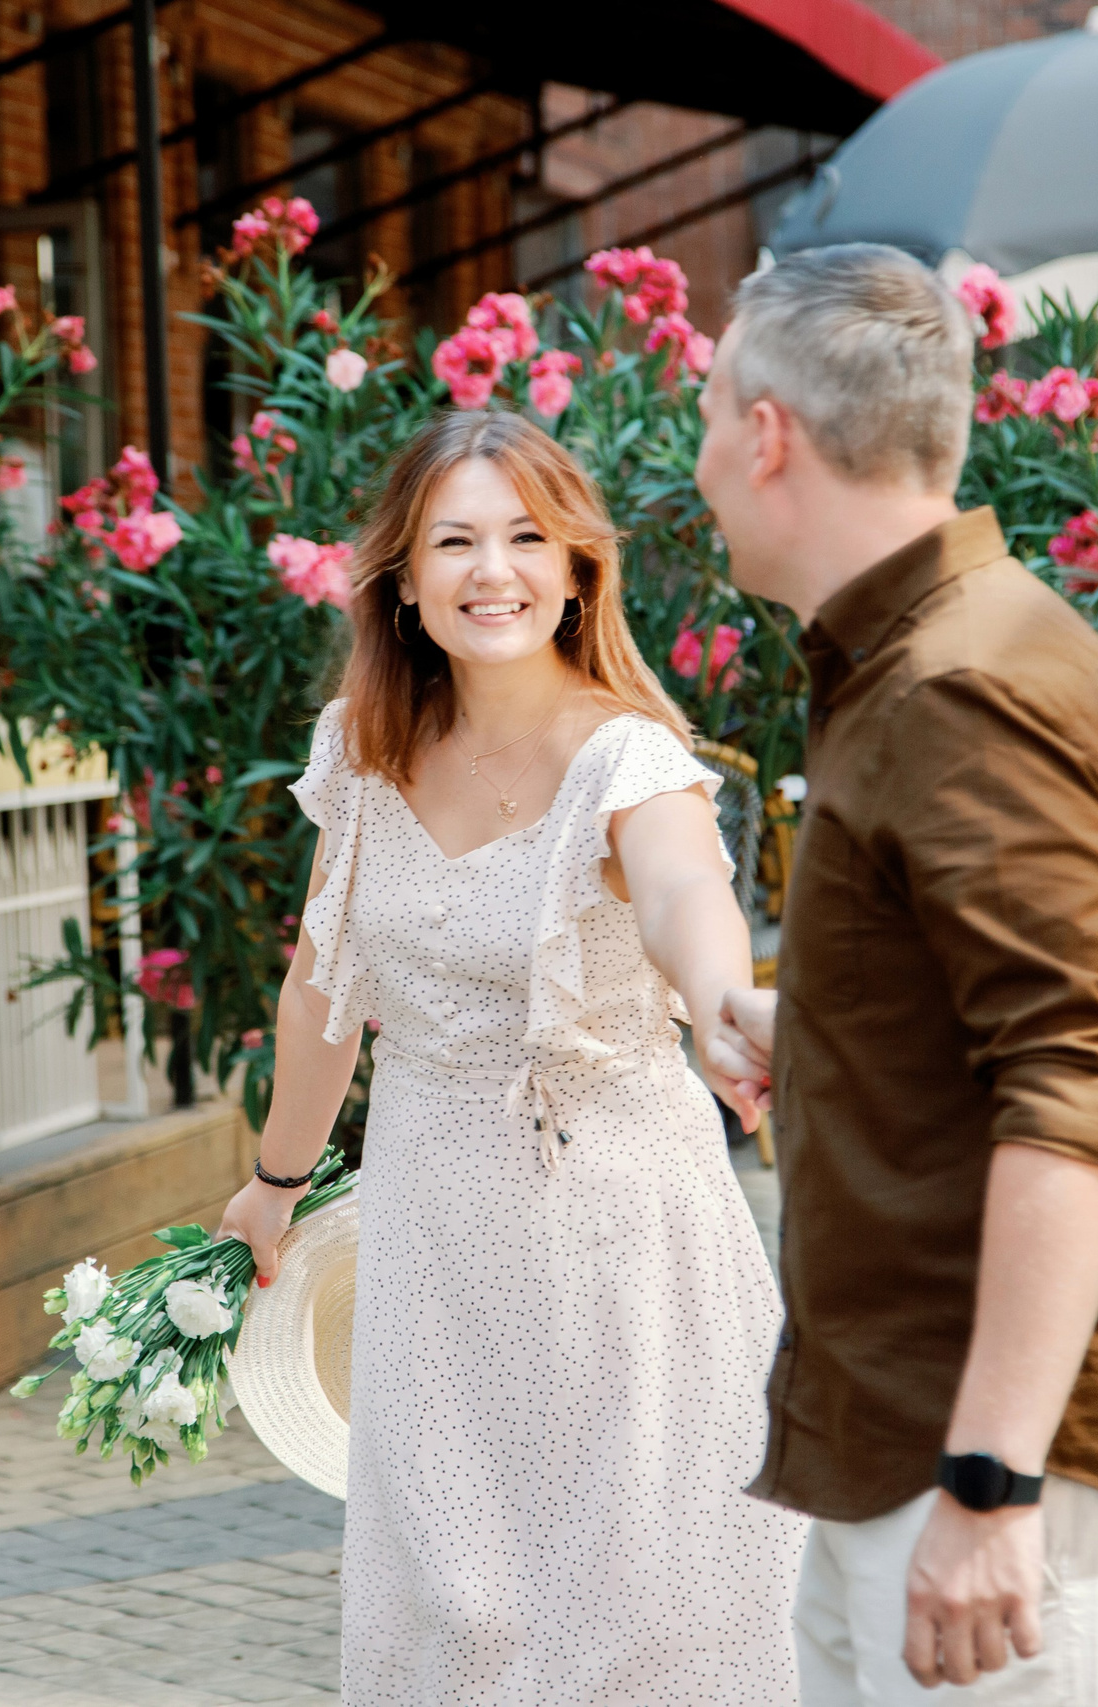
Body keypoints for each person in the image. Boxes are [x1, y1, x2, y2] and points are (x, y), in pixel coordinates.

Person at [696, 244, 1098, 1705]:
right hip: (909, 1443)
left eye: (709, 419)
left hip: (998, 1473)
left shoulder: (962, 683)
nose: (698, 464)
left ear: (768, 435)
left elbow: (1074, 1084)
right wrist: (817, 1033)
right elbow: (987, 1024)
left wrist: (994, 1483)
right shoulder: (922, 660)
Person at [220, 409, 808, 1705]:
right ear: (403, 580)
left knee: (640, 1608)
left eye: (528, 538)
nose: (494, 571)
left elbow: (683, 895)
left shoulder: (628, 756)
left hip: (619, 1235)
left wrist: (726, 1000)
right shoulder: (363, 754)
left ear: (578, 570)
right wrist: (274, 1182)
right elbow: (322, 988)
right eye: (456, 542)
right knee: (459, 1606)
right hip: (432, 1231)